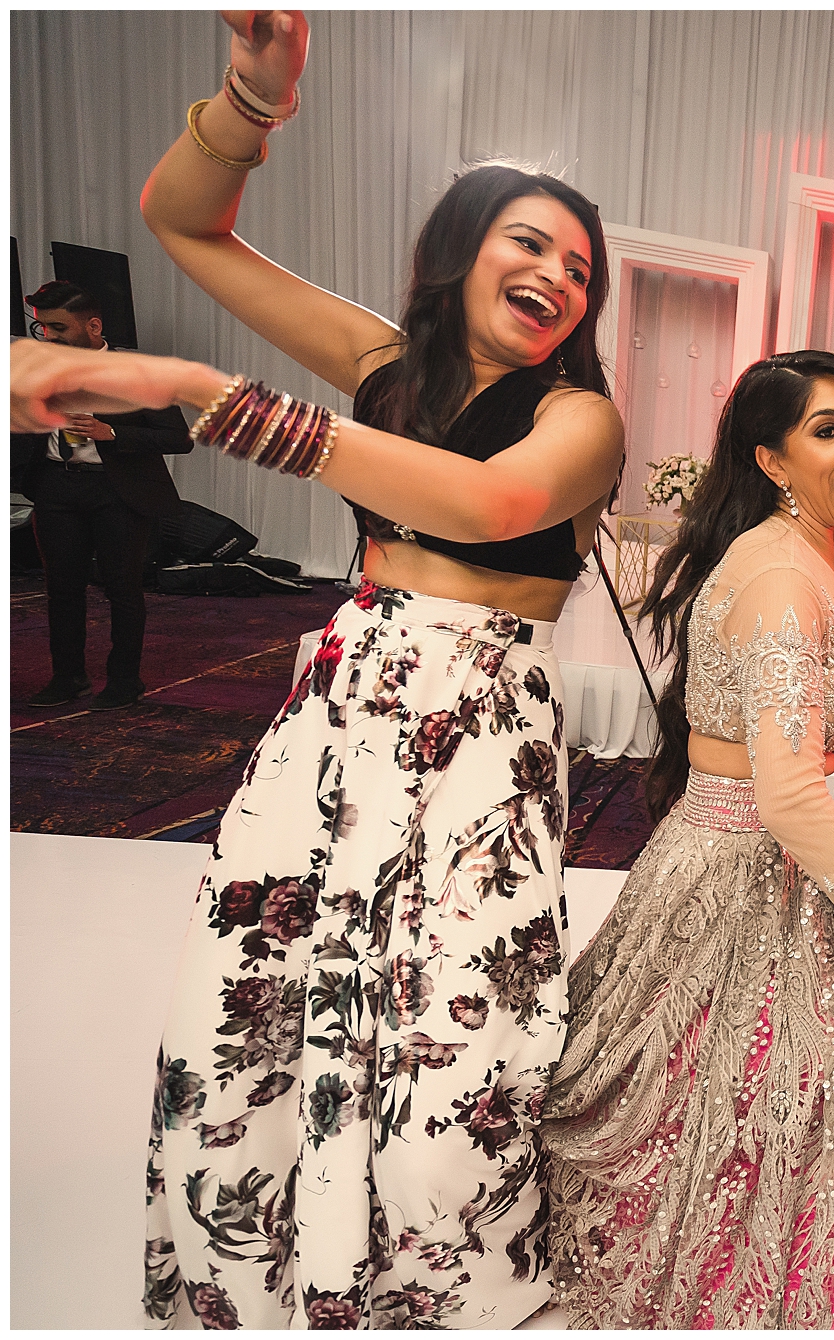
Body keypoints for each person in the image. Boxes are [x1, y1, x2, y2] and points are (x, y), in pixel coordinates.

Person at [8, 12, 625, 1328]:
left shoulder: (581, 418)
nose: (557, 275)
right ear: (463, 250)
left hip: (482, 730)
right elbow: (184, 224)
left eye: (580, 268)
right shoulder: (386, 364)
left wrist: (206, 395)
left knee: (454, 1031)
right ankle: (264, 1272)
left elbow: (488, 500)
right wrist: (251, 96)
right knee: (268, 981)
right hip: (347, 701)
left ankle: (436, 1295)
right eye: (530, 242)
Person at [538, 350, 834, 1328]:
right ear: (769, 459)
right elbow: (793, 799)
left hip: (790, 860)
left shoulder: (819, 559)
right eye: (826, 429)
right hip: (735, 868)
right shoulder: (774, 578)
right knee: (758, 1094)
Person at [18, 280, 193, 710]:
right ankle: (68, 678)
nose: (50, 337)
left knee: (122, 588)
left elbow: (179, 438)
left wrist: (110, 432)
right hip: (56, 485)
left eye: (59, 328)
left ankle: (124, 681)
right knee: (61, 589)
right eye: (43, 328)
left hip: (118, 490)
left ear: (93, 326)